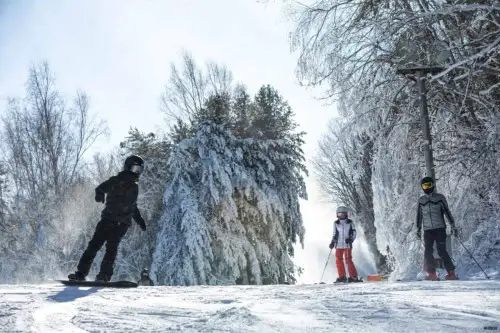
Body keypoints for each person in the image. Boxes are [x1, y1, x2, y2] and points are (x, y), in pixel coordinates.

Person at [68, 155, 147, 282]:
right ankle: (80, 274)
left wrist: (140, 220)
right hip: (107, 220)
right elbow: (100, 188)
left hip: (122, 224)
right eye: (135, 169)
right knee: (94, 246)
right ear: (128, 167)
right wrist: (99, 195)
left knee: (112, 249)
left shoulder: (134, 187)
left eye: (140, 170)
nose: (137, 173)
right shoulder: (116, 180)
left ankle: (104, 276)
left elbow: (133, 206)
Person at [416, 176, 458, 281]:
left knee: (441, 251)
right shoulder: (421, 200)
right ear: (422, 187)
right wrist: (418, 229)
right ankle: (432, 274)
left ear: (433, 185)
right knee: (427, 252)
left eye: (429, 185)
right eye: (424, 185)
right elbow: (419, 216)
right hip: (427, 230)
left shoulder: (440, 198)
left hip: (440, 228)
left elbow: (447, 212)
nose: (427, 187)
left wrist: (452, 225)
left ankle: (451, 273)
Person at [329, 206, 362, 283]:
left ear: (346, 214)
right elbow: (334, 234)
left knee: (348, 260)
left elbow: (354, 233)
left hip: (347, 244)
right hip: (339, 245)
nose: (341, 216)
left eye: (343, 214)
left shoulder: (350, 223)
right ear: (337, 215)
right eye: (339, 214)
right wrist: (332, 242)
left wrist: (351, 239)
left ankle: (353, 277)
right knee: (338, 260)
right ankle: (342, 277)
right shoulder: (336, 223)